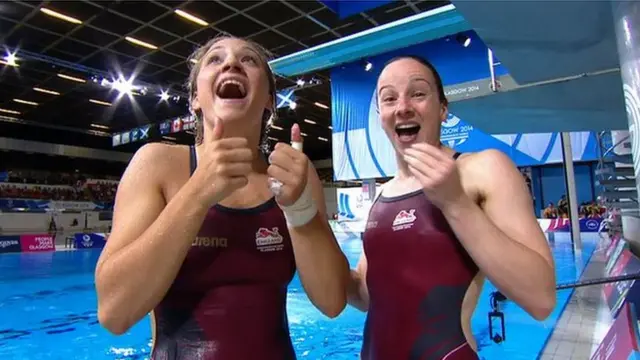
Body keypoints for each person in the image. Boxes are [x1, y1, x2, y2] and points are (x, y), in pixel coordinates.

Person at [95, 35, 350, 359]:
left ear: (270, 100)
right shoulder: (157, 164)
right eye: (215, 59)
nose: (231, 63)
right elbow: (114, 312)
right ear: (195, 100)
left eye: (249, 60)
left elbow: (331, 302)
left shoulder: (292, 175)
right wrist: (198, 192)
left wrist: (300, 208)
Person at [347, 56, 556, 359]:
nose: (403, 106)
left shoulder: (483, 169)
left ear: (443, 109)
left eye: (418, 93)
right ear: (382, 116)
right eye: (389, 98)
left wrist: (456, 202)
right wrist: (306, 221)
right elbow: (365, 296)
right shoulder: (382, 196)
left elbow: (542, 298)